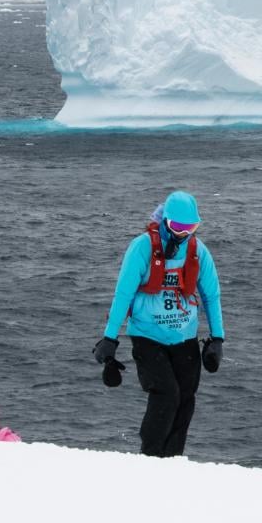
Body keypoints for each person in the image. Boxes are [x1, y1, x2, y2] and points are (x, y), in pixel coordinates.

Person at [93, 191, 226, 457]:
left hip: (184, 337)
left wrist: (217, 339)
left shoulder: (198, 252)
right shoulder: (142, 248)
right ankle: (151, 458)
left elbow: (211, 295)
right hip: (148, 337)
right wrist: (109, 339)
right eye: (178, 227)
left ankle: (172, 460)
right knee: (166, 394)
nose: (183, 233)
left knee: (185, 398)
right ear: (165, 220)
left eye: (191, 227)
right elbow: (123, 294)